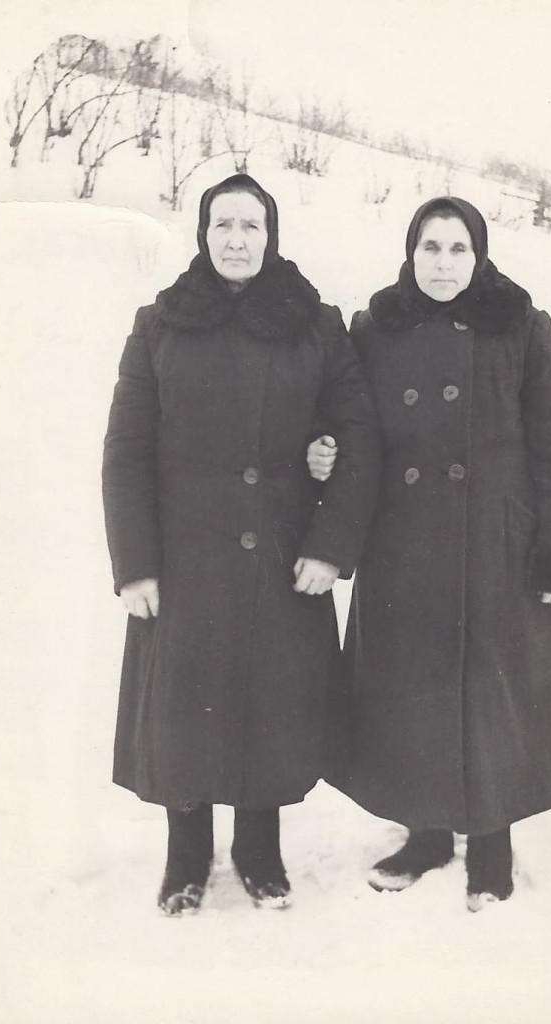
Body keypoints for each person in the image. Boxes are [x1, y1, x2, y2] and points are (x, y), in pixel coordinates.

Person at [309, 196, 551, 911]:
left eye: (458, 249)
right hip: (403, 543)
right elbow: (352, 426)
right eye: (430, 248)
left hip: (497, 546)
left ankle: (492, 851)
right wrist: (325, 455)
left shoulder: (523, 328)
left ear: (480, 255)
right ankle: (427, 836)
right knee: (411, 696)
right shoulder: (374, 328)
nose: (443, 263)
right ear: (410, 255)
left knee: (490, 694)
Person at [103, 174, 381, 915]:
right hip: (185, 562)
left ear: (272, 234)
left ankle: (260, 853)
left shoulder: (315, 324)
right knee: (185, 713)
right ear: (202, 233)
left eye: (250, 226)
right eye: (222, 225)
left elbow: (356, 436)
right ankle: (186, 858)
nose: (235, 240)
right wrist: (134, 564)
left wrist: (330, 546)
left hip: (283, 559)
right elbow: (126, 450)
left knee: (272, 711)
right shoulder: (160, 324)